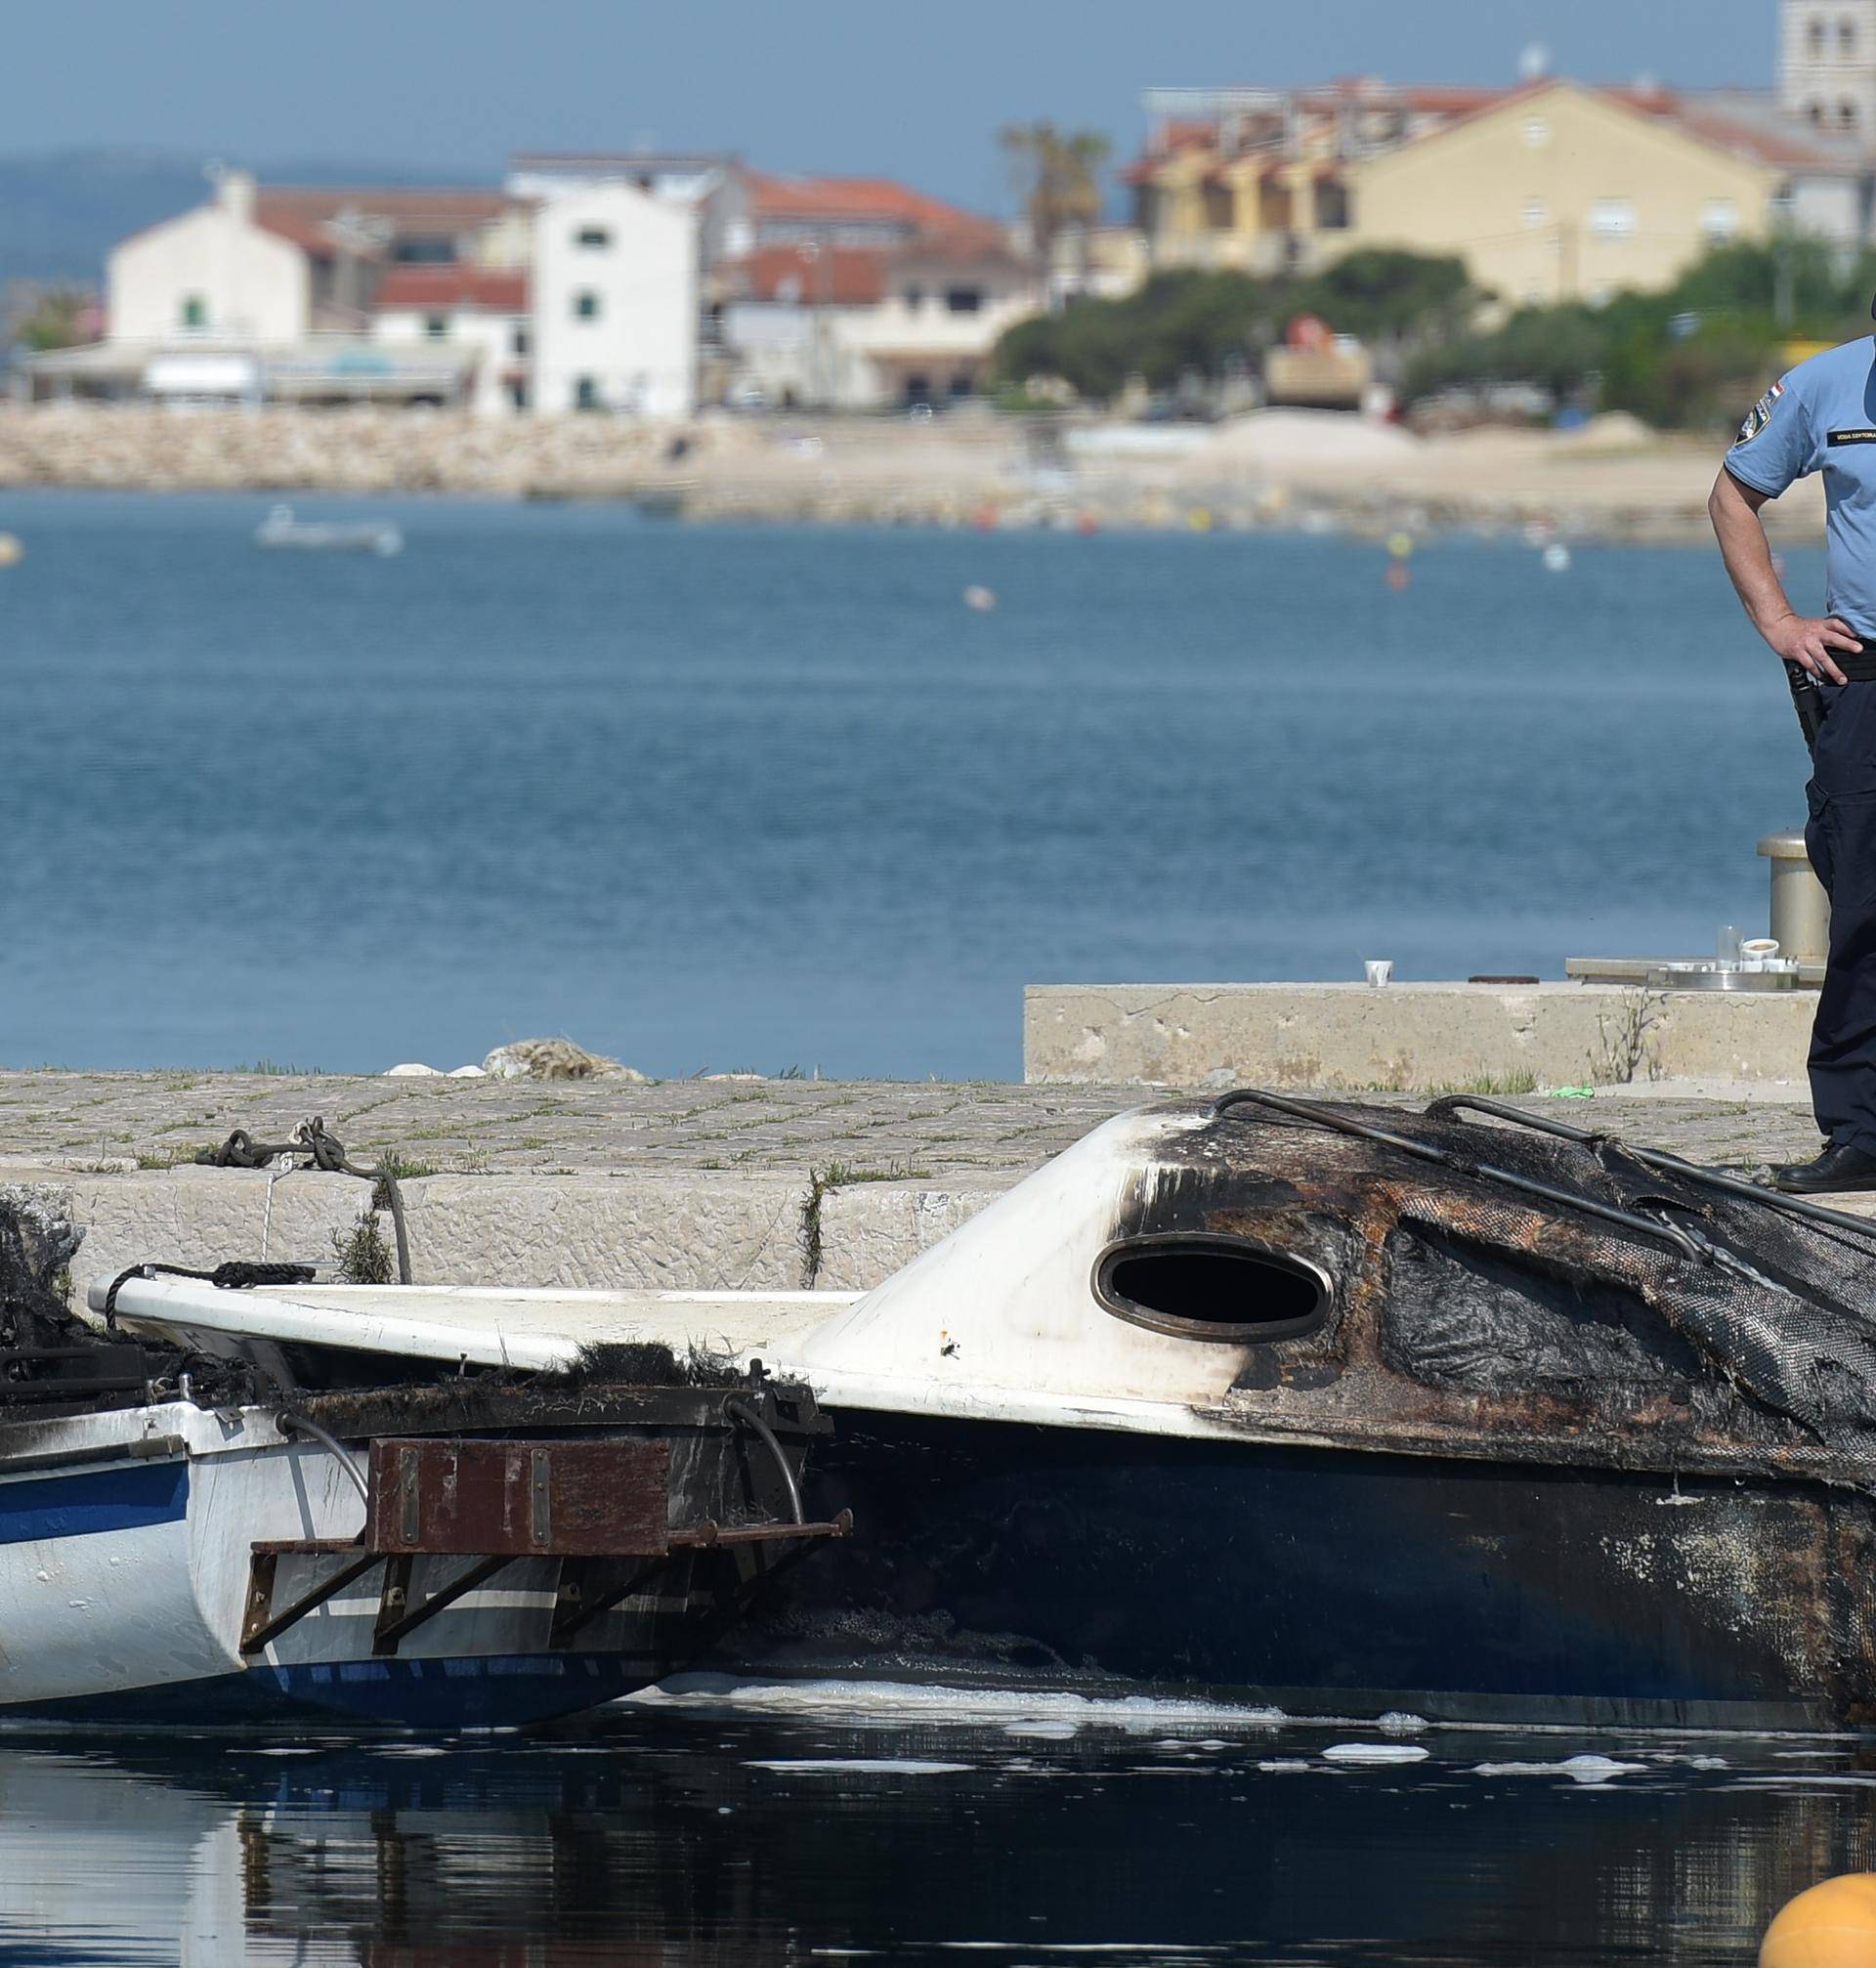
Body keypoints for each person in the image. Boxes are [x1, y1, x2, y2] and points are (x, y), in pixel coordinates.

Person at [1711, 323, 1876, 1191]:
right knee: (1860, 902)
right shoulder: (1822, 385)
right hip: (1864, 674)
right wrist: (1780, 622)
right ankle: (1860, 1133)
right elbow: (1734, 495)